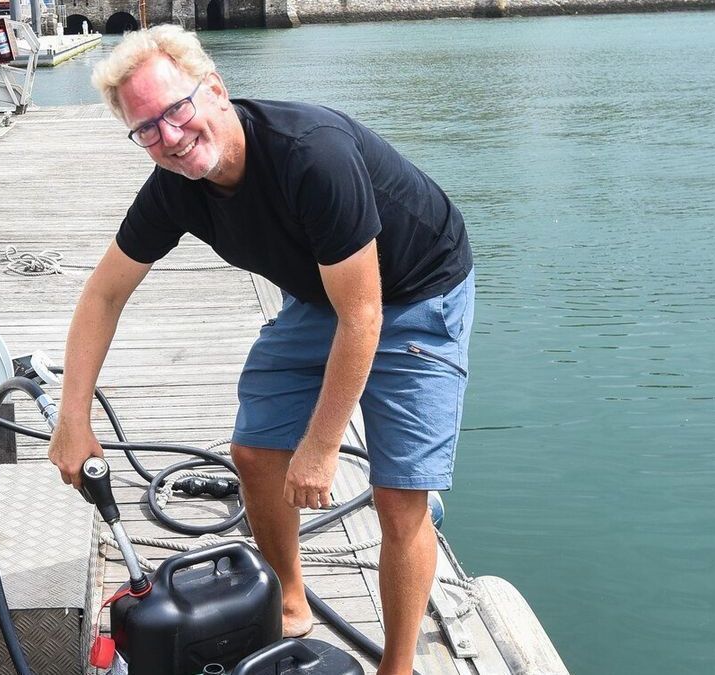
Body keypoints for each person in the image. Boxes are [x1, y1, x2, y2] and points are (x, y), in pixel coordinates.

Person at [47, 25, 474, 675]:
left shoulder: (311, 156)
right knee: (253, 450)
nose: (169, 136)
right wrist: (72, 420)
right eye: (146, 130)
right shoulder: (176, 187)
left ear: (214, 88)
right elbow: (103, 296)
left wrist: (323, 444)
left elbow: (364, 315)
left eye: (176, 109)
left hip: (417, 291)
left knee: (399, 495)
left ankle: (398, 665)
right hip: (321, 290)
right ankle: (291, 599)